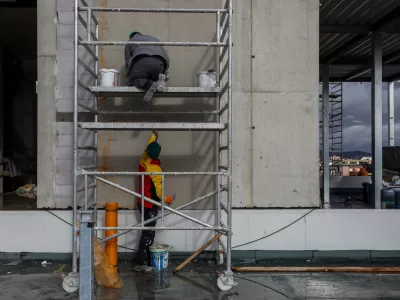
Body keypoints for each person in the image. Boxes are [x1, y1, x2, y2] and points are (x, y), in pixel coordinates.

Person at [133, 131, 174, 272]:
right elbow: (158, 193)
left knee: (147, 231)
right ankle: (142, 262)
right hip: (150, 204)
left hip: (141, 201)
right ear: (158, 154)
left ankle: (145, 259)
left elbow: (147, 147)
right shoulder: (155, 170)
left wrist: (154, 135)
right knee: (148, 232)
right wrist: (168, 199)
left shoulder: (143, 161)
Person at [125, 32, 170, 101]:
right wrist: (165, 72)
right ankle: (159, 80)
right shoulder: (155, 39)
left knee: (135, 80)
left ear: (131, 37)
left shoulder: (130, 41)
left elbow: (128, 61)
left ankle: (150, 84)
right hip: (160, 63)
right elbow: (166, 57)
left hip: (143, 60)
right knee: (153, 77)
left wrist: (129, 77)